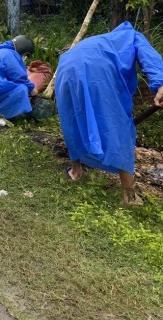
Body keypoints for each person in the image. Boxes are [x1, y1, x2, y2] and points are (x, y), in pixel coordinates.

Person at [55, 22, 163, 205]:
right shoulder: (133, 36)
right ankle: (129, 196)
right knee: (118, 127)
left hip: (65, 66)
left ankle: (75, 172)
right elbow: (150, 58)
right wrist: (160, 83)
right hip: (96, 69)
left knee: (73, 119)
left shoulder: (102, 40)